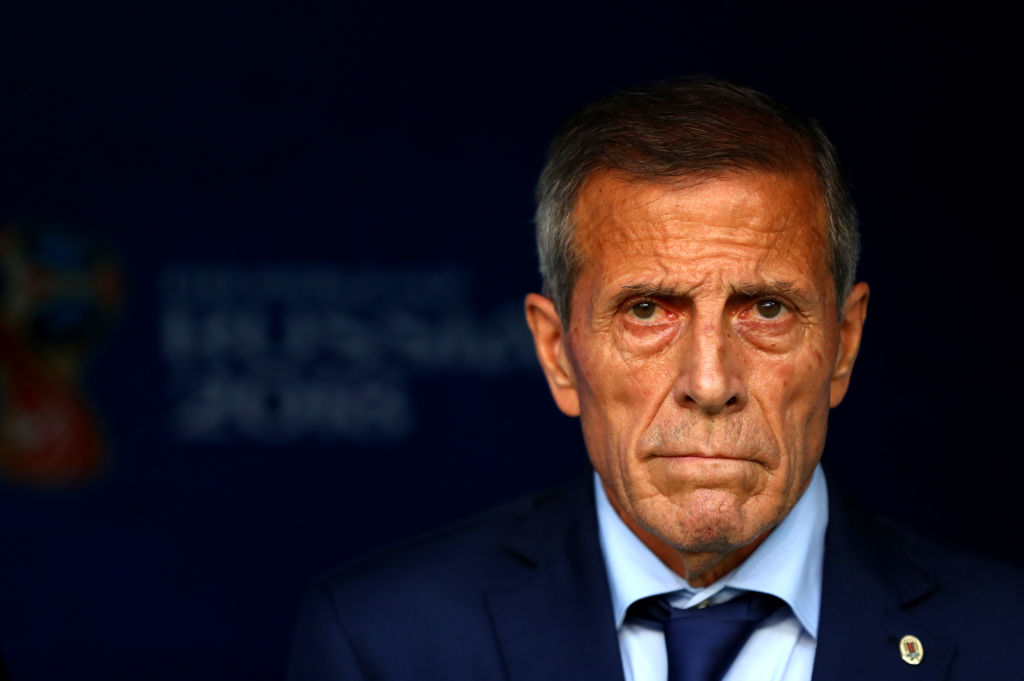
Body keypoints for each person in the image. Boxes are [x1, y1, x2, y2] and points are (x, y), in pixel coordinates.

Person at [287, 77, 1024, 681]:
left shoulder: (1007, 641)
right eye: (646, 310)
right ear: (556, 353)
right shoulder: (383, 645)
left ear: (843, 344)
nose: (709, 380)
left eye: (766, 308)